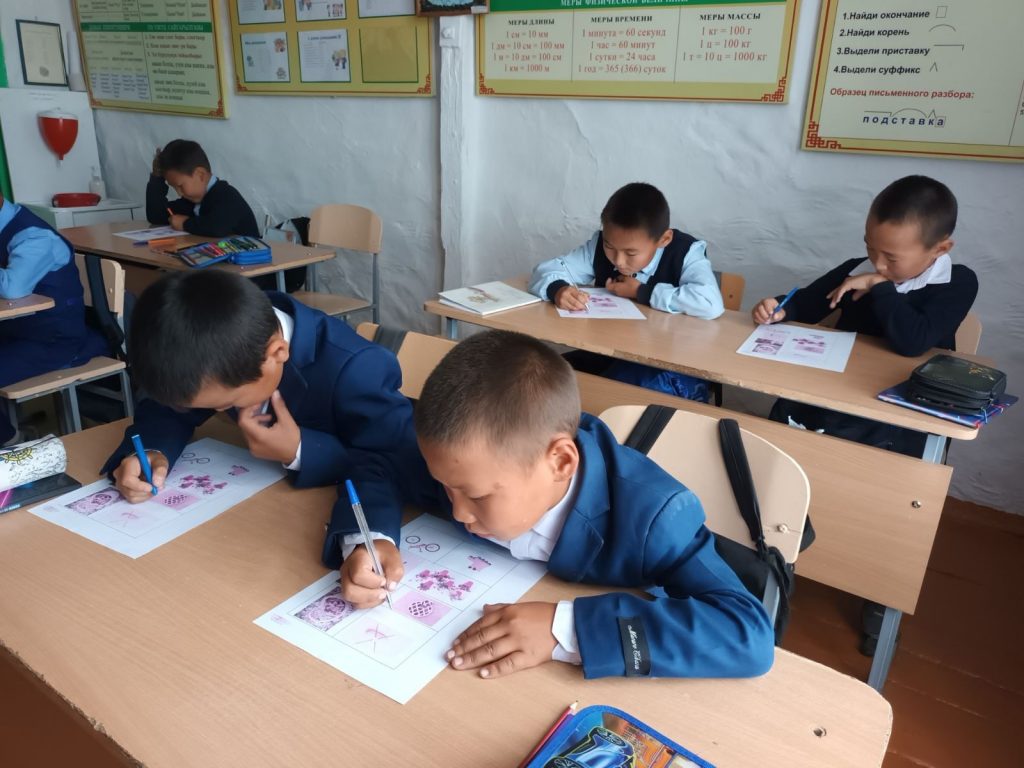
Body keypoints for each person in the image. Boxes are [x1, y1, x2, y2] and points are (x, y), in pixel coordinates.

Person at [347, 329, 774, 680]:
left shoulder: (655, 517)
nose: (458, 511)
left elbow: (747, 634)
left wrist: (565, 628)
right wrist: (372, 537)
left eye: (476, 496)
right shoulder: (463, 462)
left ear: (560, 462)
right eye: (446, 489)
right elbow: (379, 464)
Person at [528, 182, 724, 401]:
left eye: (631, 253)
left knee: (615, 391)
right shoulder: (599, 246)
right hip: (611, 353)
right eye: (610, 247)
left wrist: (643, 292)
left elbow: (710, 303)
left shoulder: (685, 252)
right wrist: (558, 289)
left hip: (672, 366)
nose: (618, 261)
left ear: (664, 239)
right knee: (542, 378)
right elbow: (548, 269)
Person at [0, 193, 107, 445]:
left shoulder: (34, 236)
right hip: (14, 332)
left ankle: (13, 441)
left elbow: (13, 288)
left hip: (53, 339)